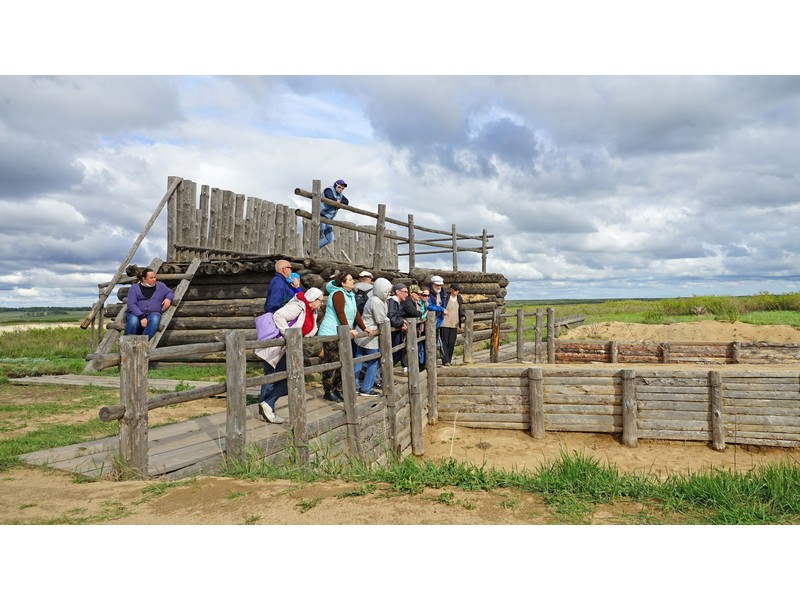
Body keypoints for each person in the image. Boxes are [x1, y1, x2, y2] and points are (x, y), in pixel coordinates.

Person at [255, 287, 324, 424]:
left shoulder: (312, 312)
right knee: (272, 378)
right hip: (276, 346)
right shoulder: (298, 306)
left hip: (288, 349)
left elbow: (309, 329)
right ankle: (267, 409)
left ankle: (267, 406)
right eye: (320, 300)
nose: (322, 303)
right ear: (313, 299)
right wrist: (289, 335)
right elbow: (278, 315)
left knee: (288, 377)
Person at [316, 270, 372, 402]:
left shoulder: (349, 294)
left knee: (342, 361)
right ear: (343, 283)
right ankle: (328, 390)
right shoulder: (338, 294)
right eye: (350, 279)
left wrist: (364, 327)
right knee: (332, 362)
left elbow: (355, 313)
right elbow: (340, 313)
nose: (353, 281)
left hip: (341, 332)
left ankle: (338, 389)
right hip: (331, 332)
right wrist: (349, 329)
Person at [353, 277, 392, 397]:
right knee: (374, 361)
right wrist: (387, 320)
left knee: (358, 359)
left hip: (362, 332)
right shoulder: (377, 301)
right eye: (388, 291)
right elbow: (380, 319)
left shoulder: (376, 299)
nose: (389, 293)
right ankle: (366, 388)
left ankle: (354, 386)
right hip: (369, 335)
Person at [124, 267, 174, 340]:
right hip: (135, 313)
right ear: (144, 279)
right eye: (151, 278)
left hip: (153, 313)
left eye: (154, 277)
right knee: (133, 322)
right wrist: (141, 317)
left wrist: (168, 299)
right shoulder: (134, 288)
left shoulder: (160, 286)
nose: (154, 279)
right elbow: (131, 304)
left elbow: (169, 292)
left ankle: (143, 342)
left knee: (155, 320)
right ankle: (126, 343)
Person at [439, 283, 466, 366]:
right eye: (455, 290)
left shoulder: (459, 298)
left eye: (458, 290)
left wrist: (463, 316)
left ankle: (449, 359)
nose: (457, 292)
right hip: (444, 323)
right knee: (444, 342)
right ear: (451, 290)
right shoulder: (446, 297)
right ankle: (445, 360)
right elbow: (441, 306)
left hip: (454, 323)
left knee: (451, 342)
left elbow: (459, 310)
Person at [320, 179, 350, 249]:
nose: (341, 189)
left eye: (342, 188)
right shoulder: (329, 190)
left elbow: (346, 202)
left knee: (330, 238)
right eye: (339, 187)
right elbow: (329, 197)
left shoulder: (340, 195)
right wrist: (336, 201)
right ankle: (313, 248)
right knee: (321, 230)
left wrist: (338, 202)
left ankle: (313, 248)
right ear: (335, 185)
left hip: (329, 218)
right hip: (321, 215)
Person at [387, 282, 410, 372]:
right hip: (391, 334)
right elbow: (392, 318)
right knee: (393, 353)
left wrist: (402, 322)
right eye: (405, 292)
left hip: (396, 333)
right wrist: (402, 323)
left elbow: (398, 316)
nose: (406, 294)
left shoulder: (397, 303)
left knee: (398, 352)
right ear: (397, 292)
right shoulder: (392, 302)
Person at [426, 275, 448, 362]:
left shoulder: (443, 294)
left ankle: (434, 361)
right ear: (432, 285)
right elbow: (429, 306)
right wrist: (442, 309)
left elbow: (443, 304)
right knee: (430, 342)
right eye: (437, 285)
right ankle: (430, 361)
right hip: (430, 320)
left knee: (435, 342)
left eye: (440, 285)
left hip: (438, 320)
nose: (439, 287)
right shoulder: (428, 294)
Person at [409, 285, 428, 371]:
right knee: (414, 346)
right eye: (424, 295)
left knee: (421, 346)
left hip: (422, 327)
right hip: (416, 327)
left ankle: (421, 363)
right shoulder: (416, 303)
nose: (426, 297)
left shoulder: (426, 303)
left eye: (427, 295)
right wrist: (423, 315)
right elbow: (416, 314)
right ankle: (414, 365)